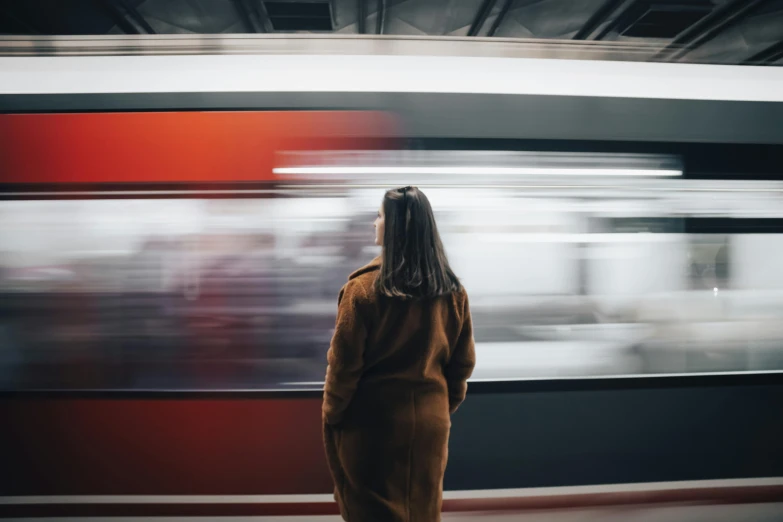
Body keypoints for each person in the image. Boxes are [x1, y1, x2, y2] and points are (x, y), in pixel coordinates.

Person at [322, 186, 476, 522]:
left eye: (379, 217)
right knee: (422, 508)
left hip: (374, 424)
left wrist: (333, 413)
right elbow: (462, 363)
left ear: (393, 227)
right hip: (430, 425)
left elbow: (344, 366)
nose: (374, 224)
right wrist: (437, 406)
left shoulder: (361, 291)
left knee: (374, 511)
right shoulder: (452, 290)